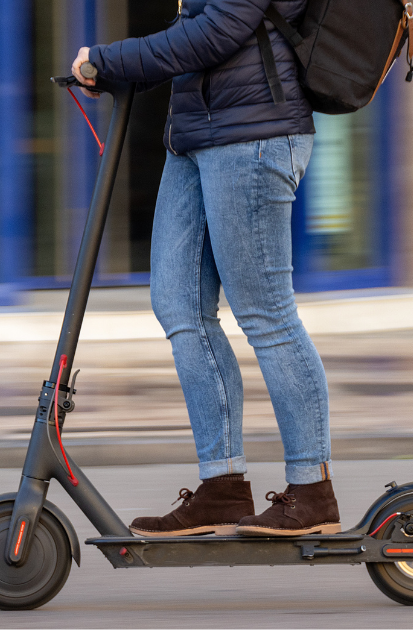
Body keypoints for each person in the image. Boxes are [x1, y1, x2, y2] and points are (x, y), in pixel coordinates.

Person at [71, 0, 339, 537]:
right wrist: (119, 71)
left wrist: (111, 57)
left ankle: (313, 490)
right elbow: (194, 30)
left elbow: (217, 34)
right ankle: (222, 484)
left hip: (254, 138)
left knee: (265, 314)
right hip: (197, 138)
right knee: (179, 305)